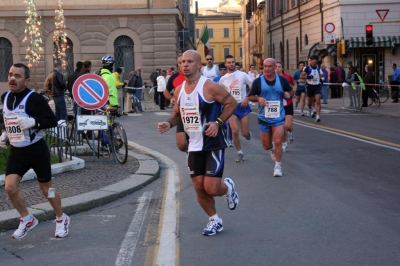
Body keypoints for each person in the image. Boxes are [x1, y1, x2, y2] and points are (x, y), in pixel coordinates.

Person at [158, 50, 239, 236]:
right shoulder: (178, 90)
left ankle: (228, 188)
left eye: (189, 62)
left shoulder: (209, 86)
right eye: (183, 62)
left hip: (212, 144)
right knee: (199, 188)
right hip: (193, 146)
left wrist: (218, 123)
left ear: (198, 65)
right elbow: (178, 113)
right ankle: (214, 220)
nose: (185, 65)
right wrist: (169, 123)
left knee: (212, 187)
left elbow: (231, 103)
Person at [1, 63, 70, 239]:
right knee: (10, 187)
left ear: (27, 80)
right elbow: (7, 119)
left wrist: (33, 122)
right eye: (10, 75)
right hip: (17, 151)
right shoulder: (5, 97)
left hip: (37, 150)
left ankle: (61, 218)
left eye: (17, 76)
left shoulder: (34, 99)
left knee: (47, 189)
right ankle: (27, 218)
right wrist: (4, 134)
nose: (12, 79)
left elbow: (52, 121)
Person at [248, 58, 292, 177]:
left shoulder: (281, 80)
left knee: (278, 141)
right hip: (263, 117)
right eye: (264, 67)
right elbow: (250, 96)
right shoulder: (258, 81)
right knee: (266, 145)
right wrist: (258, 99)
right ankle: (271, 149)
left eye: (269, 66)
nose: (266, 69)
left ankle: (278, 166)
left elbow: (290, 91)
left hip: (278, 116)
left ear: (274, 67)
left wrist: (288, 95)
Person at [219, 55, 253, 162]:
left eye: (233, 62)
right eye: (229, 62)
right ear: (225, 64)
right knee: (234, 131)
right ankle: (240, 153)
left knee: (244, 133)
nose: (231, 64)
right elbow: (220, 93)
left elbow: (253, 86)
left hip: (242, 105)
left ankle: (247, 134)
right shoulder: (223, 79)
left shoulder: (242, 75)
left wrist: (247, 98)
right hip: (230, 107)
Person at [164, 53, 188, 152]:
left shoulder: (197, 76)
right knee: (181, 144)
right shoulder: (174, 77)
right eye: (180, 63)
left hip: (197, 113)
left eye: (185, 61)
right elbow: (166, 91)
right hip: (181, 113)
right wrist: (171, 98)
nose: (183, 65)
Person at [275, 62, 295, 152]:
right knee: (281, 126)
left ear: (282, 68)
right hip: (277, 105)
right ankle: (284, 143)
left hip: (288, 103)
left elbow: (294, 84)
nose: (277, 68)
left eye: (279, 67)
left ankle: (290, 132)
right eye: (276, 67)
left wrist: (291, 93)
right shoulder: (270, 78)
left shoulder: (287, 77)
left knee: (287, 126)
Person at [213, 63, 233, 147]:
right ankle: (223, 135)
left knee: (230, 123)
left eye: (224, 69)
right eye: (221, 69)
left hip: (228, 102)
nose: (222, 71)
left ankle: (230, 139)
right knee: (222, 122)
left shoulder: (230, 78)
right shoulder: (215, 79)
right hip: (219, 103)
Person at [303, 55, 323, 122]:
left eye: (315, 60)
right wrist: (308, 77)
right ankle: (310, 109)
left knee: (318, 101)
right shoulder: (307, 68)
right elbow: (301, 76)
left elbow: (322, 75)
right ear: (310, 61)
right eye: (313, 59)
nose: (314, 61)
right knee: (309, 102)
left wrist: (321, 76)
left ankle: (318, 116)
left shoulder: (318, 68)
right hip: (310, 86)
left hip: (317, 86)